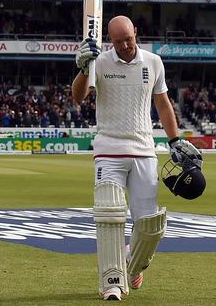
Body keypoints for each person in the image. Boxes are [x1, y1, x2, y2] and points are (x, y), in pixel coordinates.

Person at [72, 15, 201, 301]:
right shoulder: (99, 62)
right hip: (108, 149)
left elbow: (163, 104)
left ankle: (132, 266)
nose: (125, 46)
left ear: (136, 34)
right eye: (118, 42)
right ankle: (111, 282)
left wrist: (175, 139)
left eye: (128, 39)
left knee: (150, 225)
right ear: (110, 41)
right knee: (109, 214)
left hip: (144, 150)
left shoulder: (153, 62)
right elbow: (78, 97)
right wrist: (82, 69)